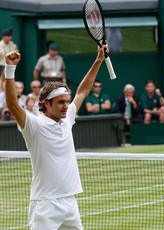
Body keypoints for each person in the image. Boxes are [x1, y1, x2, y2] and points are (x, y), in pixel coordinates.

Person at [5, 43, 108, 229]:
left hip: (69, 202)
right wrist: (10, 68)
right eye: (61, 102)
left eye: (67, 102)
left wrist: (98, 59)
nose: (66, 106)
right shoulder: (34, 125)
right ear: (46, 104)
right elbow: (13, 104)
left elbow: (83, 90)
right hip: (45, 205)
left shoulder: (67, 117)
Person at [0, 28, 18, 92]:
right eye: (8, 36)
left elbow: (17, 56)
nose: (10, 37)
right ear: (3, 36)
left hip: (11, 67)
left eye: (10, 36)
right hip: (1, 67)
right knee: (2, 85)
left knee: (11, 84)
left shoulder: (13, 45)